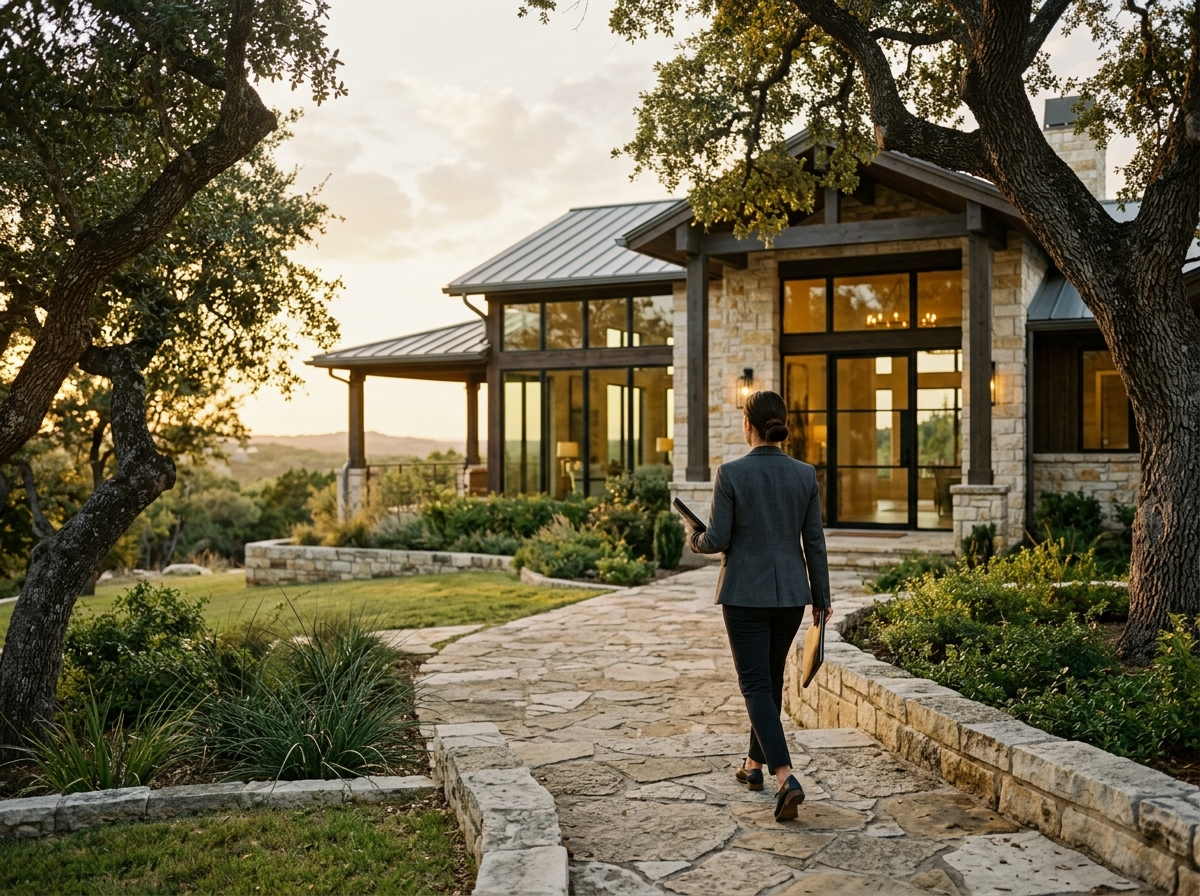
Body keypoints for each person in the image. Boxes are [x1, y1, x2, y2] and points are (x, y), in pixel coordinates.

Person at [682, 390, 832, 822]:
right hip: (791, 598)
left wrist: (693, 535)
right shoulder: (805, 474)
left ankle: (785, 776)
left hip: (745, 596)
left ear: (747, 424)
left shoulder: (730, 473)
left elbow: (717, 540)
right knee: (767, 682)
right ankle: (752, 766)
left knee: (754, 686)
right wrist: (822, 600)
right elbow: (815, 544)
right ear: (782, 424)